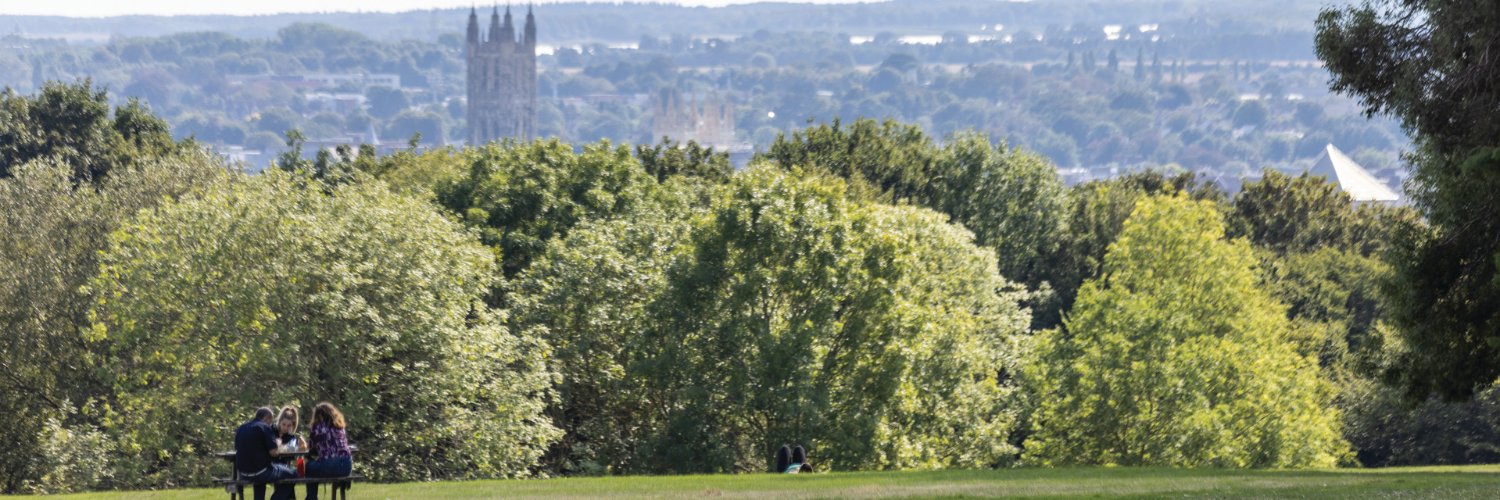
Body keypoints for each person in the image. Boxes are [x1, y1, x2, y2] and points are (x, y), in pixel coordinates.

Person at [235, 407, 296, 500]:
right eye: (270, 421)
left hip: (243, 473)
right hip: (260, 472)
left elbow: (237, 448)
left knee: (260, 475)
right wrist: (278, 445)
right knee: (293, 474)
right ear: (267, 418)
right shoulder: (264, 427)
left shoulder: (242, 427)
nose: (271, 424)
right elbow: (274, 453)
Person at [304, 402, 353, 500]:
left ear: (320, 415)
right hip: (347, 466)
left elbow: (310, 447)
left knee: (309, 467)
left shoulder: (318, 427)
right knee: (315, 466)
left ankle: (311, 497)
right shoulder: (340, 427)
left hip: (331, 464)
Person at [270, 407, 307, 500]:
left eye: (289, 425)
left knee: (292, 476)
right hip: (270, 464)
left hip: (284, 465)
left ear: (292, 426)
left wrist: (300, 446)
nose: (285, 428)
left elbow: (293, 453)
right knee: (292, 476)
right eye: (284, 424)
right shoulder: (271, 431)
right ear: (279, 422)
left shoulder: (291, 437)